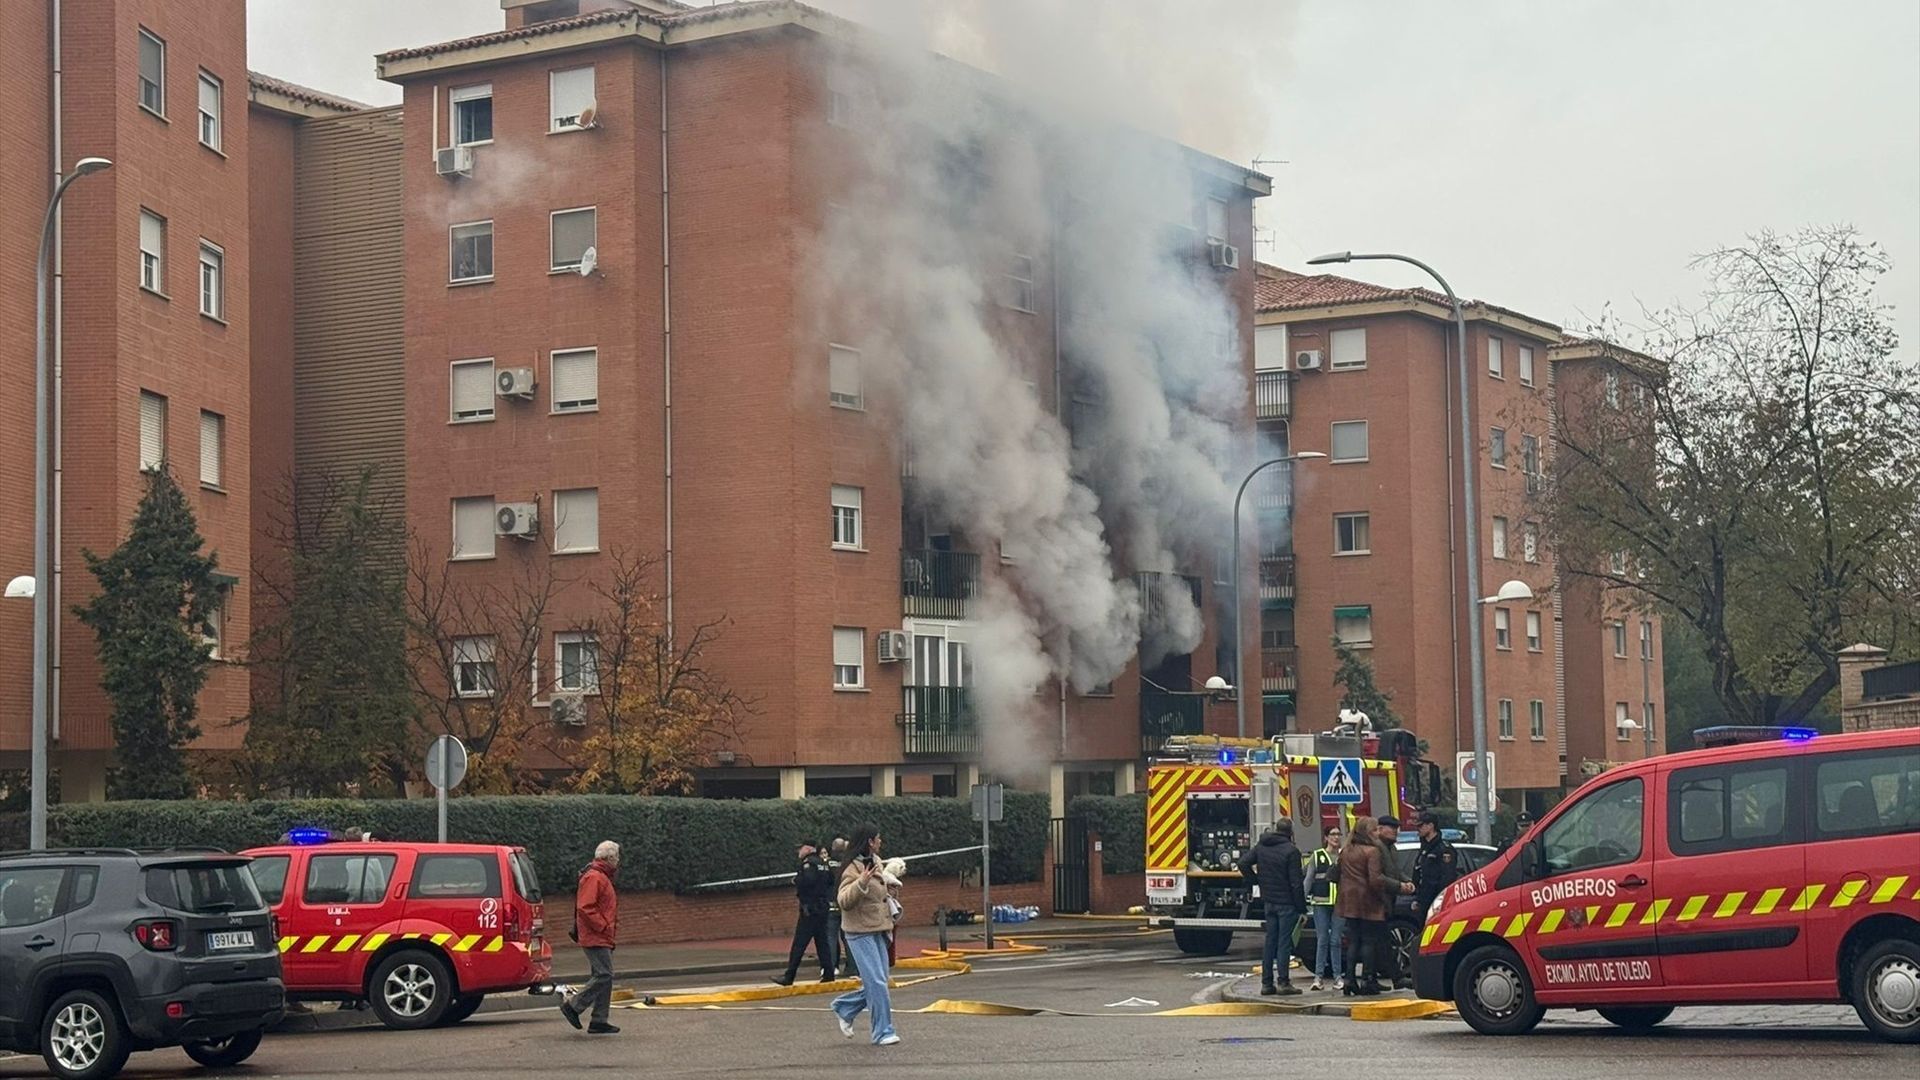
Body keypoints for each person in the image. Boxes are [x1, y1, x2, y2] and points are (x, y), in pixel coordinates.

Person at [831, 825, 900, 1046]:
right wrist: (860, 882)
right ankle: (882, 1032)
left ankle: (844, 1007)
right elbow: (843, 900)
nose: (880, 841)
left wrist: (889, 892)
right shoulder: (851, 868)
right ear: (870, 841)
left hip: (878, 928)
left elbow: (877, 893)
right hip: (859, 932)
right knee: (877, 982)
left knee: (880, 981)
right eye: (878, 838)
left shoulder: (876, 861)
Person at [1237, 820, 1306, 995]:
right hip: (1286, 903)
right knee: (1284, 944)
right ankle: (1283, 982)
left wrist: (1255, 881)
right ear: (1291, 832)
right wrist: (1301, 907)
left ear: (1276, 829)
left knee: (1270, 942)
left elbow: (1243, 863)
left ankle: (1267, 983)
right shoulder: (1291, 851)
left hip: (1269, 901)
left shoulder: (1262, 846)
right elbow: (1296, 883)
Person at [561, 840, 621, 1034]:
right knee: (604, 974)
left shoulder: (600, 876)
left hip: (601, 934)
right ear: (610, 858)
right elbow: (585, 907)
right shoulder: (595, 877)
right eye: (617, 857)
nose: (618, 861)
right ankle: (574, 1006)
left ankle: (599, 1020)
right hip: (596, 935)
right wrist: (603, 926)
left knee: (604, 976)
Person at [1337, 816, 1394, 996]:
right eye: (1375, 830)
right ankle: (1367, 980)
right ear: (1367, 833)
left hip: (1349, 901)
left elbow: (1336, 873)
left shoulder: (1346, 850)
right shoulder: (1372, 851)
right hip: (1368, 900)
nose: (1378, 833)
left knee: (1354, 941)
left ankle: (1349, 980)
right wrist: (1388, 894)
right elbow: (1375, 879)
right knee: (1369, 941)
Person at [773, 842, 837, 986]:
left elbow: (808, 881)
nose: (798, 852)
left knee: (799, 944)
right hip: (823, 907)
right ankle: (829, 974)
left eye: (800, 849)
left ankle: (789, 976)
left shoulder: (808, 863)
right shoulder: (823, 863)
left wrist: (796, 880)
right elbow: (831, 880)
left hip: (810, 909)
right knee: (822, 943)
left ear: (807, 849)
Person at [1373, 815, 1417, 989]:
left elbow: (1396, 871)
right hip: (1377, 901)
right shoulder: (1377, 848)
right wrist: (1400, 886)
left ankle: (1373, 978)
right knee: (1382, 941)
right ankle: (1395, 978)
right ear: (1380, 829)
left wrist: (1408, 882)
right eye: (1391, 828)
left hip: (1387, 901)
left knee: (1380, 942)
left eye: (1396, 828)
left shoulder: (1391, 848)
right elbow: (1378, 877)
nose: (1395, 832)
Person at [1303, 824, 1345, 992]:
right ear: (1326, 837)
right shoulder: (1318, 856)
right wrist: (1302, 901)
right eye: (1333, 834)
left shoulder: (1343, 856)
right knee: (1322, 940)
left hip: (1339, 904)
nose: (1336, 837)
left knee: (1336, 940)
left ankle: (1337, 977)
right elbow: (1309, 879)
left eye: (1338, 834)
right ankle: (1318, 977)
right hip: (1320, 903)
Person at [1411, 811, 1459, 914]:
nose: (1418, 829)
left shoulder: (1444, 849)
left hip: (1436, 902)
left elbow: (1447, 878)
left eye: (1420, 826)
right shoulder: (1425, 848)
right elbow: (1420, 874)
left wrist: (1438, 902)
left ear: (1431, 826)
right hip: (1424, 901)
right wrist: (1418, 898)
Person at [828, 838, 855, 980]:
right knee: (848, 937)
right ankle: (852, 967)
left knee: (831, 937)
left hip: (831, 904)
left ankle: (832, 967)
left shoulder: (827, 864)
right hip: (845, 903)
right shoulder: (848, 863)